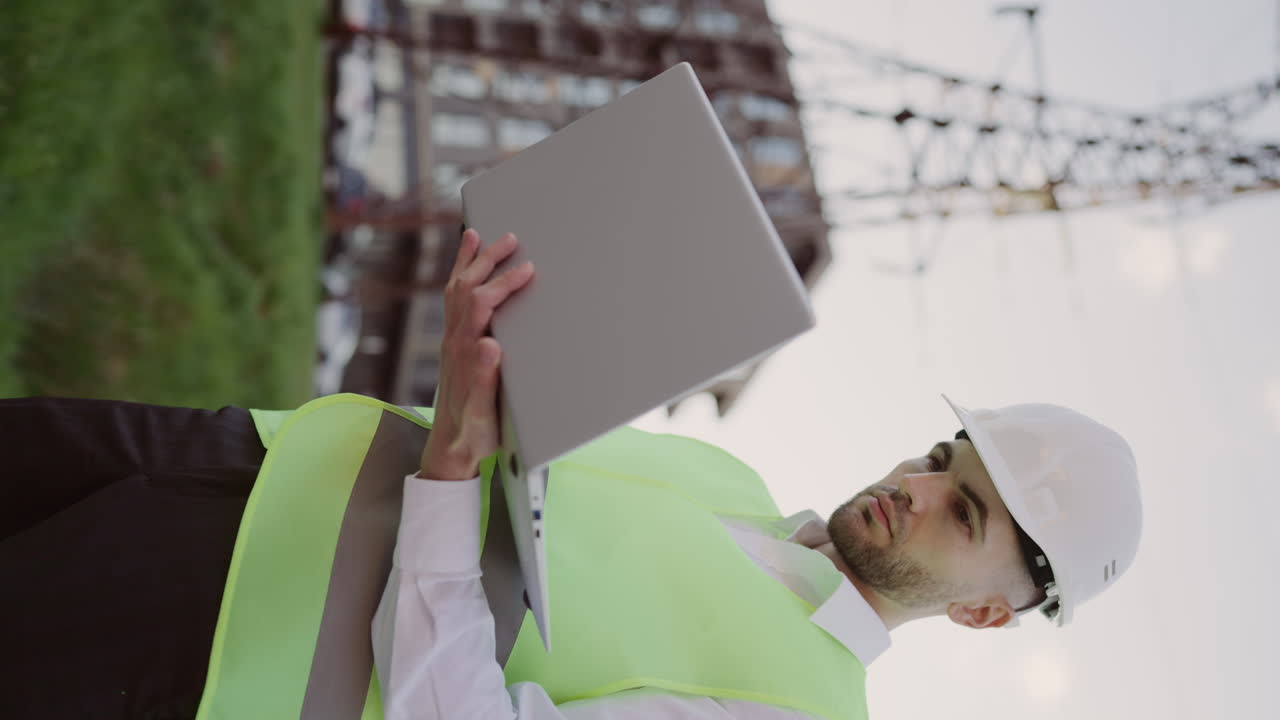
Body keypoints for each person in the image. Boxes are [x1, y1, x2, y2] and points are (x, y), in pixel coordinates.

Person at [1, 230, 1142, 720]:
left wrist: (451, 466)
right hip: (241, 458)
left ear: (989, 612)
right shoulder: (718, 472)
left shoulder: (797, 710)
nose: (918, 487)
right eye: (942, 458)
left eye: (966, 511)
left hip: (212, 642)